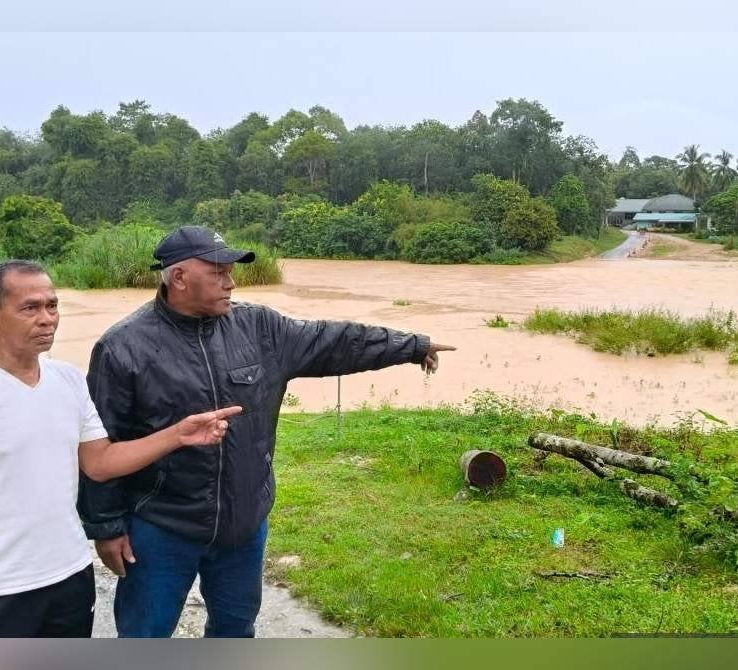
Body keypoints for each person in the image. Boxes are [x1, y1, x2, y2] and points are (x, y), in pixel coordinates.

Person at [78, 225, 455, 638]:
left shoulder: (260, 329)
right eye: (218, 272)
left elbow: (336, 342)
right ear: (180, 278)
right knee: (145, 638)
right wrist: (106, 526)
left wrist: (413, 345)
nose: (231, 281)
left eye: (230, 271)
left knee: (236, 630)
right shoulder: (123, 347)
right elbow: (100, 444)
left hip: (244, 525)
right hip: (161, 527)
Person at [0, 260, 242, 638]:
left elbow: (99, 463)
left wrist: (177, 435)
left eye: (52, 306)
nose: (47, 318)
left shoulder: (66, 380)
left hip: (69, 576)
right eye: (30, 308)